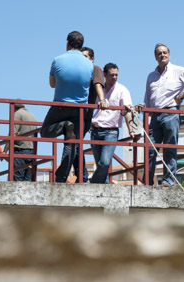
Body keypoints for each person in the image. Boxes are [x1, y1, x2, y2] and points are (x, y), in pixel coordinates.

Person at [143, 43, 184, 187]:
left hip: (171, 112)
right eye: (159, 53)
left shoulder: (178, 70)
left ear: (169, 54)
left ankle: (168, 181)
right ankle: (148, 182)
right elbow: (148, 98)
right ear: (155, 57)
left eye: (164, 52)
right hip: (155, 115)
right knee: (150, 149)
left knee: (170, 148)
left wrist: (183, 95)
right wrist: (145, 110)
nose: (162, 55)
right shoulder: (151, 76)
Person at [40, 31, 94, 183]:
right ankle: (62, 177)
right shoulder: (89, 64)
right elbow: (88, 85)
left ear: (67, 42)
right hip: (80, 109)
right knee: (72, 143)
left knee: (45, 132)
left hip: (61, 105)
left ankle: (64, 126)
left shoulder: (58, 60)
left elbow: (52, 84)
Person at [90, 63, 139, 184]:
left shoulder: (122, 90)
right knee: (102, 166)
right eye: (112, 75)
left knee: (104, 163)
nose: (114, 78)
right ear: (104, 75)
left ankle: (93, 184)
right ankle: (104, 192)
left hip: (111, 131)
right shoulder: (98, 88)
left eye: (116, 75)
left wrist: (131, 130)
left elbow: (127, 110)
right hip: (95, 130)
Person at [76, 46, 108, 182]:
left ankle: (83, 177)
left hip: (85, 115)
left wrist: (102, 99)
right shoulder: (77, 71)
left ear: (92, 58)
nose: (82, 60)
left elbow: (98, 85)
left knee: (76, 145)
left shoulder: (95, 69)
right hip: (73, 113)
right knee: (73, 145)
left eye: (85, 57)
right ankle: (81, 176)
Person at [7, 103, 37, 182]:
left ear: (13, 108)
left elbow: (12, 133)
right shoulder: (31, 115)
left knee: (17, 179)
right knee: (27, 180)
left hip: (20, 150)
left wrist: (5, 149)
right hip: (31, 150)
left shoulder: (17, 114)